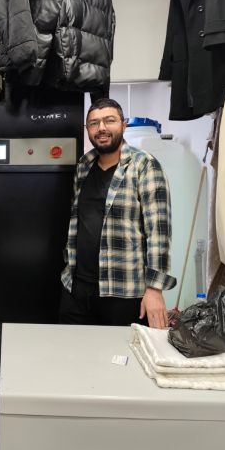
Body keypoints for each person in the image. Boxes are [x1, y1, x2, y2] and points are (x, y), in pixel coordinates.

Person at [60, 97, 176, 329]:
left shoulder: (144, 165)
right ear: (87, 129)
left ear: (123, 125)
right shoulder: (84, 166)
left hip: (123, 291)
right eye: (94, 123)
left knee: (122, 352)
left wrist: (154, 290)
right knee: (70, 349)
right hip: (77, 287)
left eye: (109, 120)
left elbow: (158, 232)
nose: (101, 128)